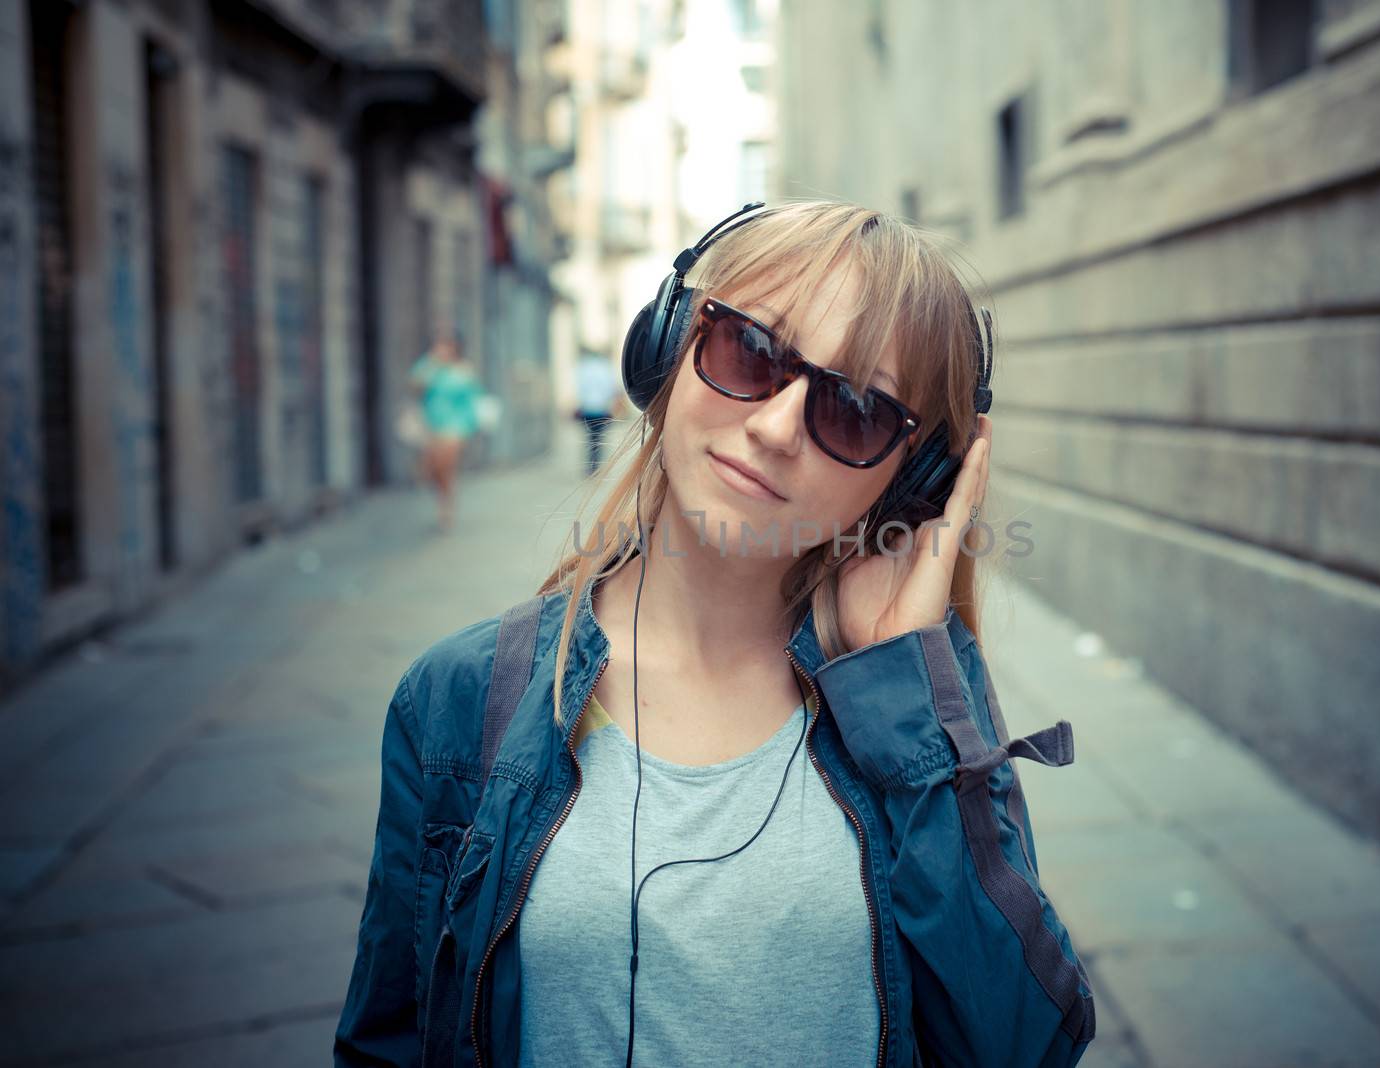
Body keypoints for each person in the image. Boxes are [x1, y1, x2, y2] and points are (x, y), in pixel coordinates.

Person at [335, 201, 1096, 1066]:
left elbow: (1022, 1047)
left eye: (855, 410)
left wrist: (903, 695)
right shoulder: (460, 697)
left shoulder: (917, 694)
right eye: (751, 351)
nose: (774, 430)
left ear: (913, 481)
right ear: (666, 347)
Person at [408, 326, 484, 532]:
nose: (444, 349)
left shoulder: (463, 370)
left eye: (448, 345)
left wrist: (470, 427)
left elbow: (473, 400)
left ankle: (446, 509)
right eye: (440, 345)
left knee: (446, 465)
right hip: (432, 426)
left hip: (455, 427)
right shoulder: (430, 367)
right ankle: (445, 498)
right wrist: (431, 362)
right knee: (432, 470)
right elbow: (415, 384)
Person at [575, 347, 619, 476]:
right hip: (602, 410)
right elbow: (611, 389)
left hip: (587, 410)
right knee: (599, 439)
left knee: (590, 438)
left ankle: (590, 466)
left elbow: (580, 388)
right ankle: (596, 466)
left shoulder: (583, 368)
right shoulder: (606, 368)